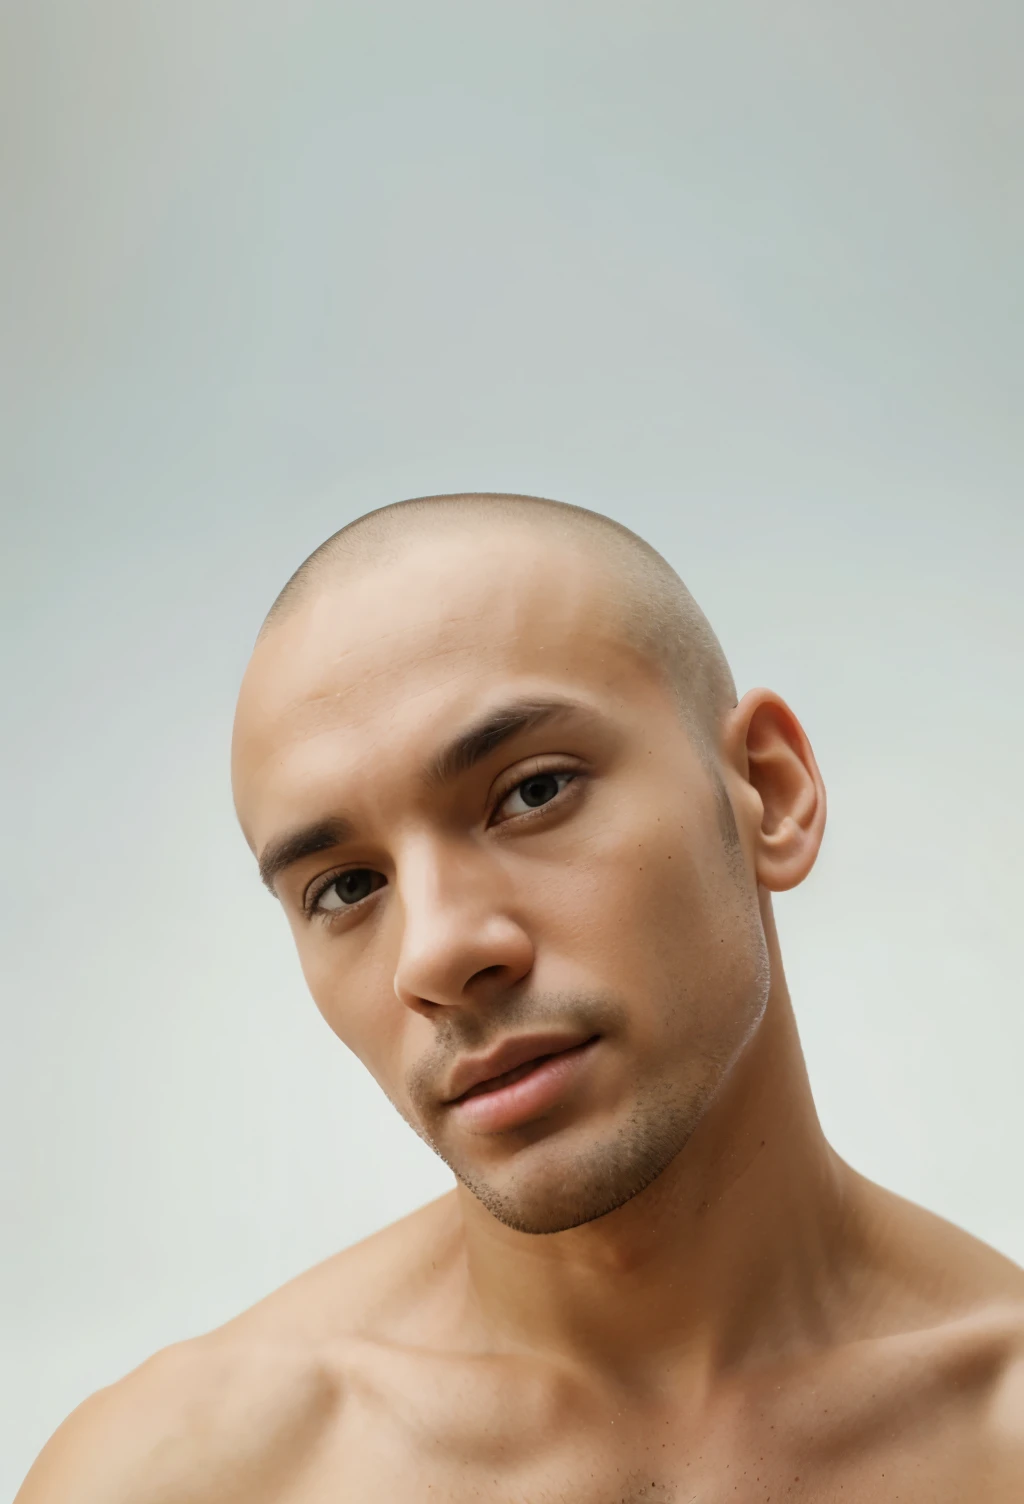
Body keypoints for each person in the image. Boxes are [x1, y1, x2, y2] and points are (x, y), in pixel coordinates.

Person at [17, 493, 1024, 1501]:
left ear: (768, 789)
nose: (439, 953)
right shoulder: (179, 1480)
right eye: (346, 888)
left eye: (533, 792)